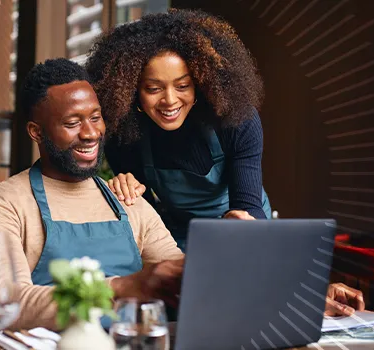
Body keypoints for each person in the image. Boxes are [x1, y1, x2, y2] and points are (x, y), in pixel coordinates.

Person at [0, 58, 364, 331]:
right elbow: (5, 301)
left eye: (95, 118)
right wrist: (128, 287)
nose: (91, 133)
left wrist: (296, 294)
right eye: (72, 123)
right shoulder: (4, 202)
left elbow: (198, 280)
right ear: (36, 132)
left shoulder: (127, 200)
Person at [85, 9, 272, 249]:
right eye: (153, 89)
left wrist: (241, 222)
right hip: (179, 235)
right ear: (131, 91)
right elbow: (147, 219)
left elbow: (249, 205)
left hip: (242, 228)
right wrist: (127, 193)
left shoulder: (235, 120)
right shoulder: (123, 135)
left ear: (201, 83)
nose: (170, 100)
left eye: (183, 85)